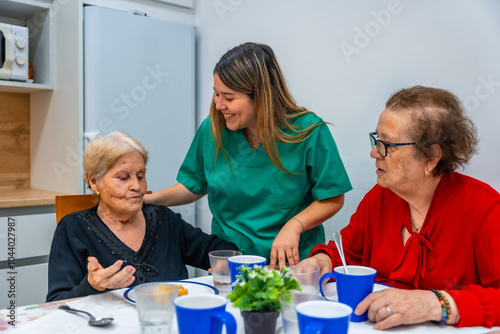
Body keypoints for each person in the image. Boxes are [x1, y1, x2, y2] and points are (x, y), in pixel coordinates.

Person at [302, 86, 500, 329]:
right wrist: (323, 259)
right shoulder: (380, 197)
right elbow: (347, 253)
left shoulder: (484, 208)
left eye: (388, 144)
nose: (374, 152)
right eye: (376, 139)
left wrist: (436, 303)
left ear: (431, 156)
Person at [145, 42, 352, 269]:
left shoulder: (308, 131)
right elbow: (193, 185)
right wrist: (148, 199)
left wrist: (295, 225)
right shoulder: (212, 129)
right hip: (231, 261)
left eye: (229, 97)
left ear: (261, 97)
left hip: (292, 263)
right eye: (216, 94)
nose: (218, 105)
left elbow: (332, 197)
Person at [46, 131, 238, 302]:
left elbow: (219, 250)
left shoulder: (162, 218)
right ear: (95, 182)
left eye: (140, 176)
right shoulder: (72, 228)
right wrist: (91, 286)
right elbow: (56, 302)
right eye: (123, 177)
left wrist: (224, 264)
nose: (136, 186)